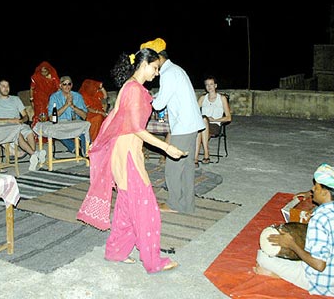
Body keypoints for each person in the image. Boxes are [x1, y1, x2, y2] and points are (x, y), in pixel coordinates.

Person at [77, 48, 186, 273]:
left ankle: (116, 251)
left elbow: (113, 118)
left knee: (127, 207)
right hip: (128, 156)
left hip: (121, 152)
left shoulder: (127, 86)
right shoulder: (135, 89)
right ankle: (153, 261)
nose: (156, 73)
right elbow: (137, 128)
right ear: (143, 64)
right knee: (148, 210)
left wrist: (101, 144)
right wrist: (167, 147)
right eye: (155, 68)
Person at [255, 163, 334, 297]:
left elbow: (319, 265)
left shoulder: (319, 219)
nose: (312, 188)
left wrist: (291, 244)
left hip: (323, 284)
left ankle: (280, 274)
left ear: (325, 192)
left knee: (263, 257)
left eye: (316, 187)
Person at [140, 38, 203, 214]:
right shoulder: (176, 70)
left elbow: (159, 104)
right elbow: (167, 94)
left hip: (183, 126)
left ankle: (174, 204)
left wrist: (146, 98)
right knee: (187, 168)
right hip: (191, 125)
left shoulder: (168, 74)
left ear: (158, 57)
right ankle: (187, 205)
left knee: (173, 168)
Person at [0, 79, 46, 170]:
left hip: (18, 124)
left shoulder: (15, 99)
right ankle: (35, 154)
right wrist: (10, 120)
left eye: (7, 86)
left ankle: (33, 159)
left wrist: (21, 120)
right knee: (17, 134)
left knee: (30, 133)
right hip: (5, 126)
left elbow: (25, 116)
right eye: (3, 86)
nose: (6, 88)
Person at [195, 76, 231, 165]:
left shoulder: (222, 98)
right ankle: (205, 155)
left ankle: (196, 158)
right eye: (207, 85)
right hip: (202, 124)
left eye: (211, 84)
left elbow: (228, 117)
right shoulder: (203, 98)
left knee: (201, 126)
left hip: (215, 125)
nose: (209, 86)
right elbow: (194, 111)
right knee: (202, 122)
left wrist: (214, 119)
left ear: (215, 85)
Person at [48, 76, 88, 155]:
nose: (67, 86)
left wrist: (73, 106)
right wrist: (66, 105)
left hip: (75, 123)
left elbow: (84, 116)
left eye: (69, 84)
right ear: (60, 86)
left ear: (72, 85)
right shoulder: (54, 97)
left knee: (85, 128)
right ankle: (75, 149)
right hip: (61, 124)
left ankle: (86, 152)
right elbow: (51, 118)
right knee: (55, 131)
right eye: (64, 84)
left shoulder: (77, 96)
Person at [29, 61, 60, 128]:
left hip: (51, 97)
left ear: (49, 70)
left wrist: (52, 79)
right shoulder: (36, 77)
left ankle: (50, 133)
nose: (43, 73)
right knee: (40, 115)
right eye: (42, 71)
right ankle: (38, 134)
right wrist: (31, 100)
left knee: (51, 115)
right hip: (39, 98)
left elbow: (58, 89)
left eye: (45, 71)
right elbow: (32, 88)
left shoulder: (54, 77)